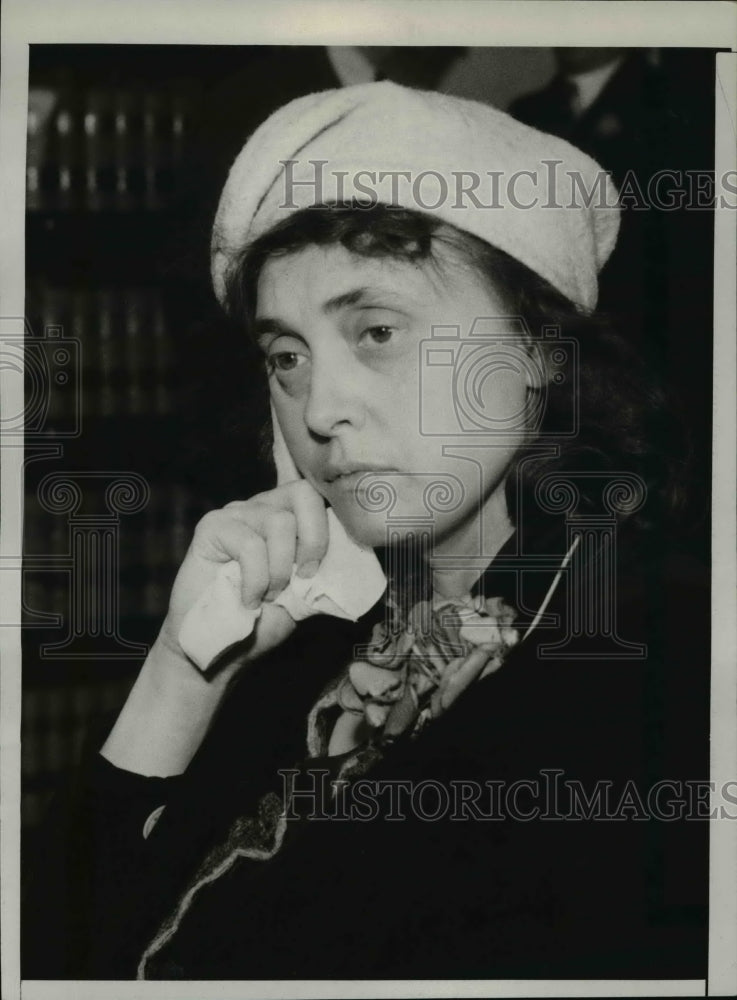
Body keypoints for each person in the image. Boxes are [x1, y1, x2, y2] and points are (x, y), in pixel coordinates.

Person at [23, 81, 709, 981]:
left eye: (377, 331)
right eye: (286, 356)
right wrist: (183, 673)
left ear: (540, 350)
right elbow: (51, 956)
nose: (319, 408)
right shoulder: (309, 651)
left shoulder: (659, 684)